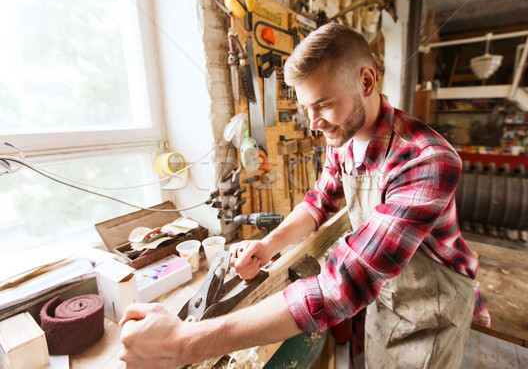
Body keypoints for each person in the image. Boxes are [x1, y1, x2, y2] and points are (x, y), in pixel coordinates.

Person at [119, 23, 489, 369]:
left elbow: (341, 286)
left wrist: (184, 343)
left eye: (324, 104)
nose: (313, 123)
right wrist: (268, 245)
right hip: (387, 292)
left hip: (431, 305)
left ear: (366, 81)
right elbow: (320, 200)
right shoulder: (342, 136)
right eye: (305, 108)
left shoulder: (426, 160)